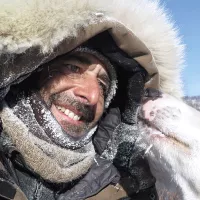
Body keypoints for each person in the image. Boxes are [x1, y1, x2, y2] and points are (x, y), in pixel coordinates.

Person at [0, 0, 184, 199]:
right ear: (28, 72)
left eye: (103, 86)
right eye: (73, 68)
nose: (92, 96)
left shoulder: (127, 190)